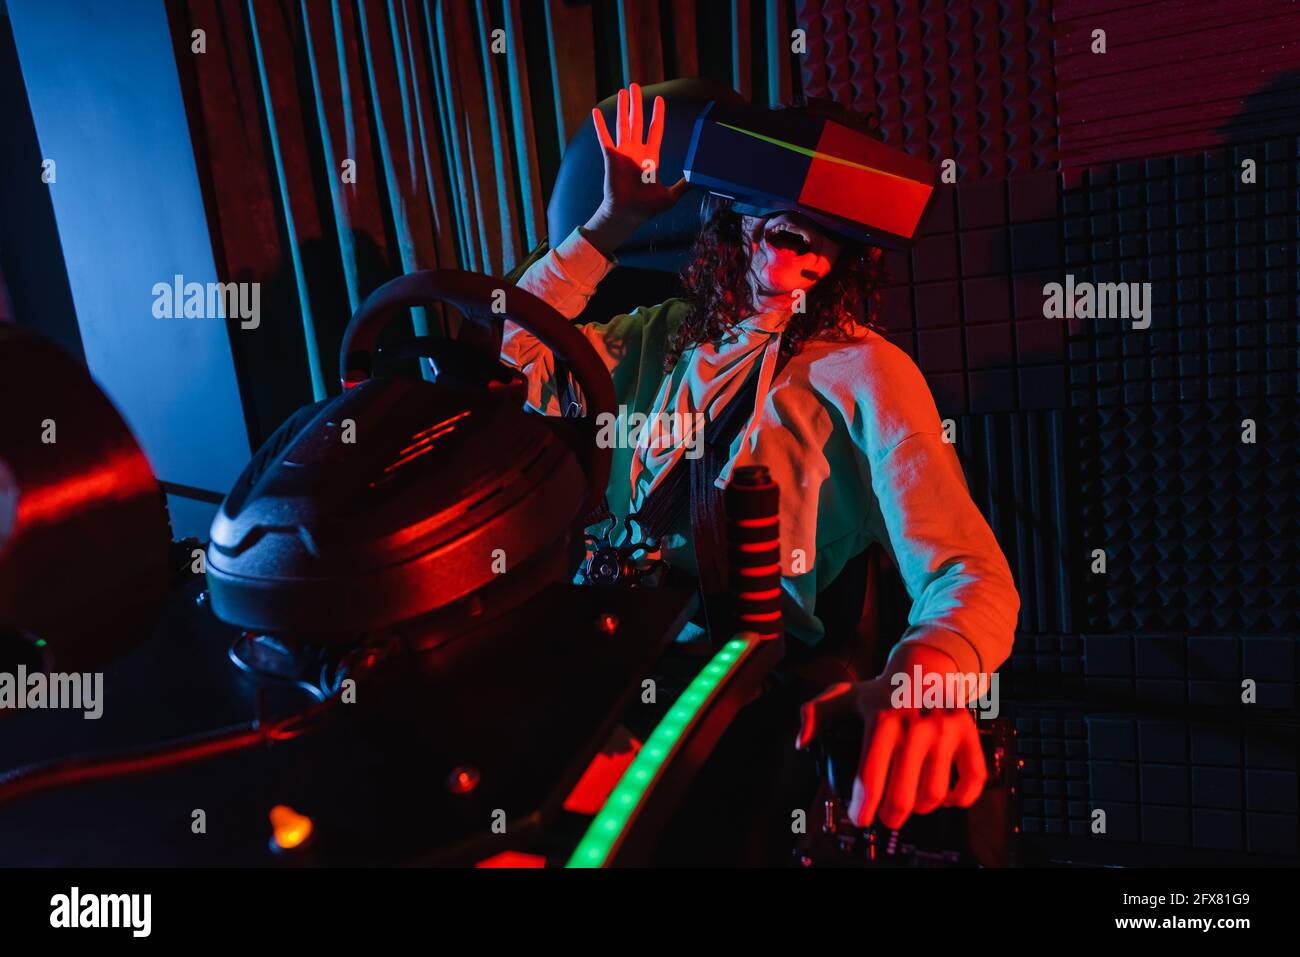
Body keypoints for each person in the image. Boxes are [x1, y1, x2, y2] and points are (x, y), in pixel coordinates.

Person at [501, 83, 1020, 832]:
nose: (806, 240)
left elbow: (969, 570)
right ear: (732, 216)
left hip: (727, 689)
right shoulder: (655, 334)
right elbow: (505, 360)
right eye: (787, 216)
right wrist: (608, 226)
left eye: (829, 230)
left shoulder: (865, 373)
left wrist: (924, 680)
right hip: (593, 652)